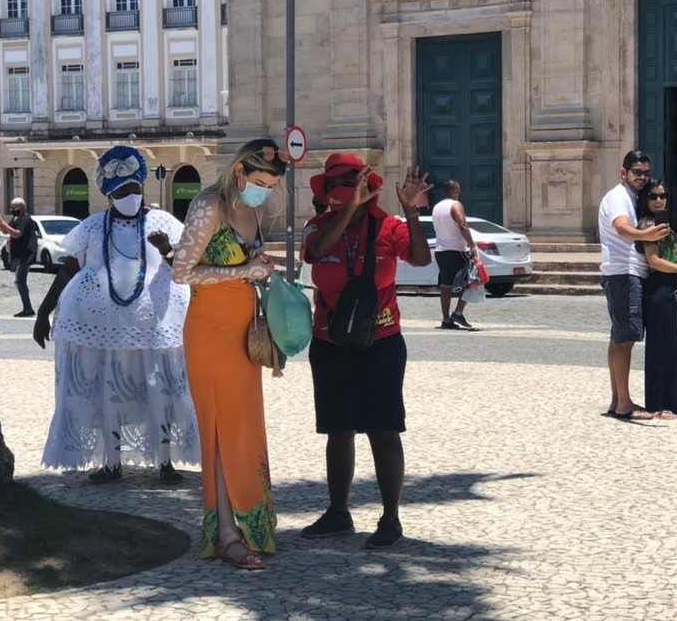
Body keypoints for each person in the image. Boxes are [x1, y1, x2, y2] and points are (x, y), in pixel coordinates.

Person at [33, 145, 199, 485]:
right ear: (108, 194)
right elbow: (68, 269)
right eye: (123, 191)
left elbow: (186, 268)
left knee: (162, 390)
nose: (131, 196)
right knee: (109, 394)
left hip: (158, 329)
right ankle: (111, 463)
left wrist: (167, 251)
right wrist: (43, 311)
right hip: (104, 332)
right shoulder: (93, 228)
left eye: (135, 189)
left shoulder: (164, 222)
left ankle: (165, 462)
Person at [300, 153, 431, 549]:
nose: (346, 191)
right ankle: (339, 513)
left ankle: (391, 519)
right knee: (337, 429)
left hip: (382, 342)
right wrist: (348, 211)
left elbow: (422, 259)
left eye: (352, 183)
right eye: (338, 186)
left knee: (383, 430)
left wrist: (410, 213)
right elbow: (316, 252)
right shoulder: (317, 226)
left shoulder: (389, 226)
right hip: (329, 341)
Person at [172, 138, 286, 571]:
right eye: (259, 182)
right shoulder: (209, 206)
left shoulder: (252, 209)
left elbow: (244, 263)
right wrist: (241, 270)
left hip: (243, 335)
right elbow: (181, 272)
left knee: (244, 425)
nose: (264, 191)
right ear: (240, 171)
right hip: (209, 334)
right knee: (219, 428)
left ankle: (251, 523)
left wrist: (260, 263)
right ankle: (224, 533)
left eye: (271, 185)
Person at [598, 150, 669, 420]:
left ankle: (618, 400)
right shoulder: (619, 197)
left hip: (621, 272)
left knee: (619, 338)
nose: (642, 177)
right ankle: (625, 403)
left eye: (645, 173)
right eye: (637, 172)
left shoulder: (629, 197)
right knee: (626, 339)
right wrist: (645, 234)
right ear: (623, 172)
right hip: (624, 272)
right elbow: (621, 227)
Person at [636, 179, 677, 419]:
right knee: (659, 347)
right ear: (645, 199)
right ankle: (658, 404)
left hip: (669, 287)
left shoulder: (666, 227)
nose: (659, 200)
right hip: (657, 287)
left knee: (671, 347)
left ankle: (675, 400)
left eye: (663, 195)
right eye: (653, 196)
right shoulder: (648, 225)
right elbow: (655, 261)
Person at [431, 180, 477, 329]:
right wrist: (472, 245)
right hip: (457, 250)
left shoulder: (436, 208)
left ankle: (445, 319)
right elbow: (463, 225)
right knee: (473, 280)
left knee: (446, 286)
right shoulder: (455, 205)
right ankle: (458, 312)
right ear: (455, 190)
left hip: (440, 252)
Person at [0, 197, 39, 317]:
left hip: (26, 254)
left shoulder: (25, 219)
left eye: (14, 207)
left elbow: (16, 234)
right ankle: (27, 308)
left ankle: (28, 308)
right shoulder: (16, 218)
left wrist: (3, 223)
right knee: (19, 281)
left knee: (20, 281)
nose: (12, 209)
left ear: (21, 207)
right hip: (19, 254)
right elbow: (5, 231)